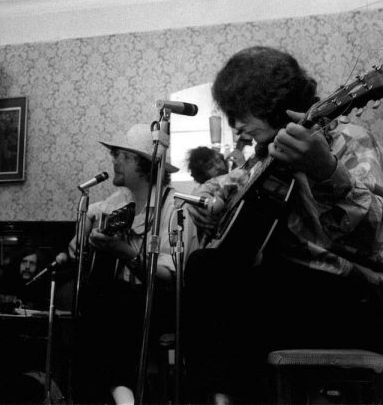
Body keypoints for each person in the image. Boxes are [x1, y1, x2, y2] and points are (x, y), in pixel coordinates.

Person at [183, 46, 383, 404]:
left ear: (268, 102)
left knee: (215, 274)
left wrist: (326, 171)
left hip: (350, 297)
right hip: (283, 294)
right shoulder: (264, 157)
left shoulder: (350, 139)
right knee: (212, 271)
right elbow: (228, 182)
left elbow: (376, 240)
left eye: (239, 113)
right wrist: (207, 197)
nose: (235, 125)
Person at [70, 123, 178, 405]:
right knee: (92, 306)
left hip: (158, 304)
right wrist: (82, 233)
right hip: (116, 304)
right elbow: (92, 212)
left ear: (141, 164)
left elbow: (169, 278)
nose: (113, 160)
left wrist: (126, 253)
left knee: (108, 307)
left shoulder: (173, 207)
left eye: (120, 155)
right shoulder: (120, 200)